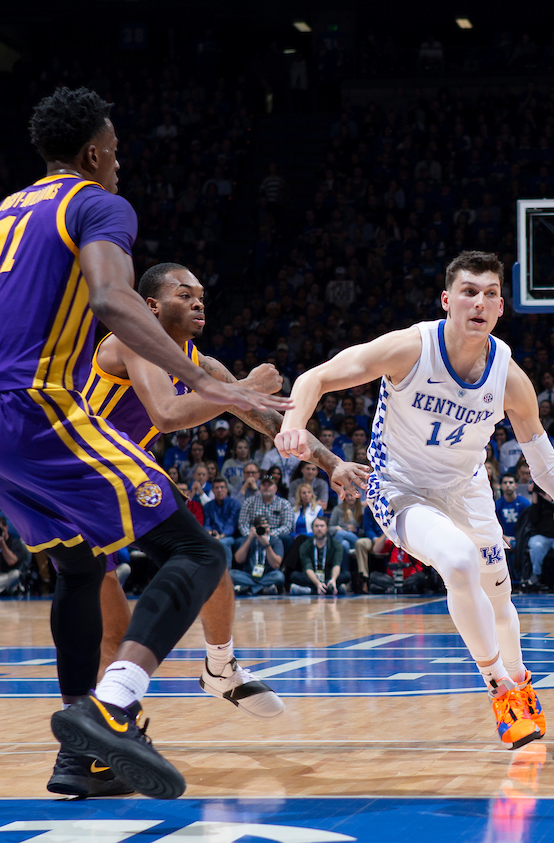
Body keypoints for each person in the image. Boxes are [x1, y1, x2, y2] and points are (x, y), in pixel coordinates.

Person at [0, 86, 294, 802]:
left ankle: (83, 756)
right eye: (117, 155)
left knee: (77, 570)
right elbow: (110, 300)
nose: (120, 167)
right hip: (37, 411)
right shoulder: (98, 204)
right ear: (95, 152)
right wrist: (210, 382)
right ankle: (113, 706)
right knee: (197, 551)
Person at [275, 250, 554, 749]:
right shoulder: (410, 348)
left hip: (468, 489)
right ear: (447, 300)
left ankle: (520, 680)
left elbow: (547, 466)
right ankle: (499, 687)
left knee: (499, 597)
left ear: (500, 308)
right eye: (469, 291)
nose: (480, 302)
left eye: (491, 294)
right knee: (459, 561)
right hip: (399, 486)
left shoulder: (509, 377)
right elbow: (316, 377)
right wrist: (294, 427)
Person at [78, 258, 365, 750]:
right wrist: (246, 386)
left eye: (201, 297)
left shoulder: (202, 366)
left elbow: (274, 423)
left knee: (208, 562)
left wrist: (332, 463)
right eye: (184, 294)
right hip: (81, 479)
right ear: (151, 305)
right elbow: (167, 415)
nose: (197, 302)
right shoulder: (131, 339)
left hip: (121, 478)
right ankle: (106, 732)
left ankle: (219, 665)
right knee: (115, 627)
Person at [290, 516, 349, 595]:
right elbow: (308, 567)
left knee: (346, 575)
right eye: (316, 526)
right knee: (294, 576)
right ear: (312, 528)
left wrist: (333, 579)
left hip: (328, 575)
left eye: (322, 526)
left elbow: (336, 564)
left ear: (327, 528)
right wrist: (317, 583)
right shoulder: (305, 545)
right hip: (313, 576)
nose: (319, 529)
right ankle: (331, 589)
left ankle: (310, 590)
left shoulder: (335, 544)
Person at [230, 514, 285, 595]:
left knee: (279, 576)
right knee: (231, 574)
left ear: (269, 528)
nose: (264, 531)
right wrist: (249, 539)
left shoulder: (275, 541)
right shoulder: (249, 539)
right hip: (250, 575)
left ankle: (249, 588)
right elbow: (238, 559)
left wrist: (267, 545)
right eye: (261, 528)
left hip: (267, 574)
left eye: (266, 527)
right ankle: (262, 588)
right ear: (255, 528)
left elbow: (276, 564)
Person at [495, 473, 531, 551]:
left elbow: (529, 525)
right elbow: (493, 526)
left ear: (516, 485)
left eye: (511, 482)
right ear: (501, 486)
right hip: (502, 539)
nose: (508, 485)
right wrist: (504, 537)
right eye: (505, 483)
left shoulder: (525, 503)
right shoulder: (496, 505)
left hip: (522, 539)